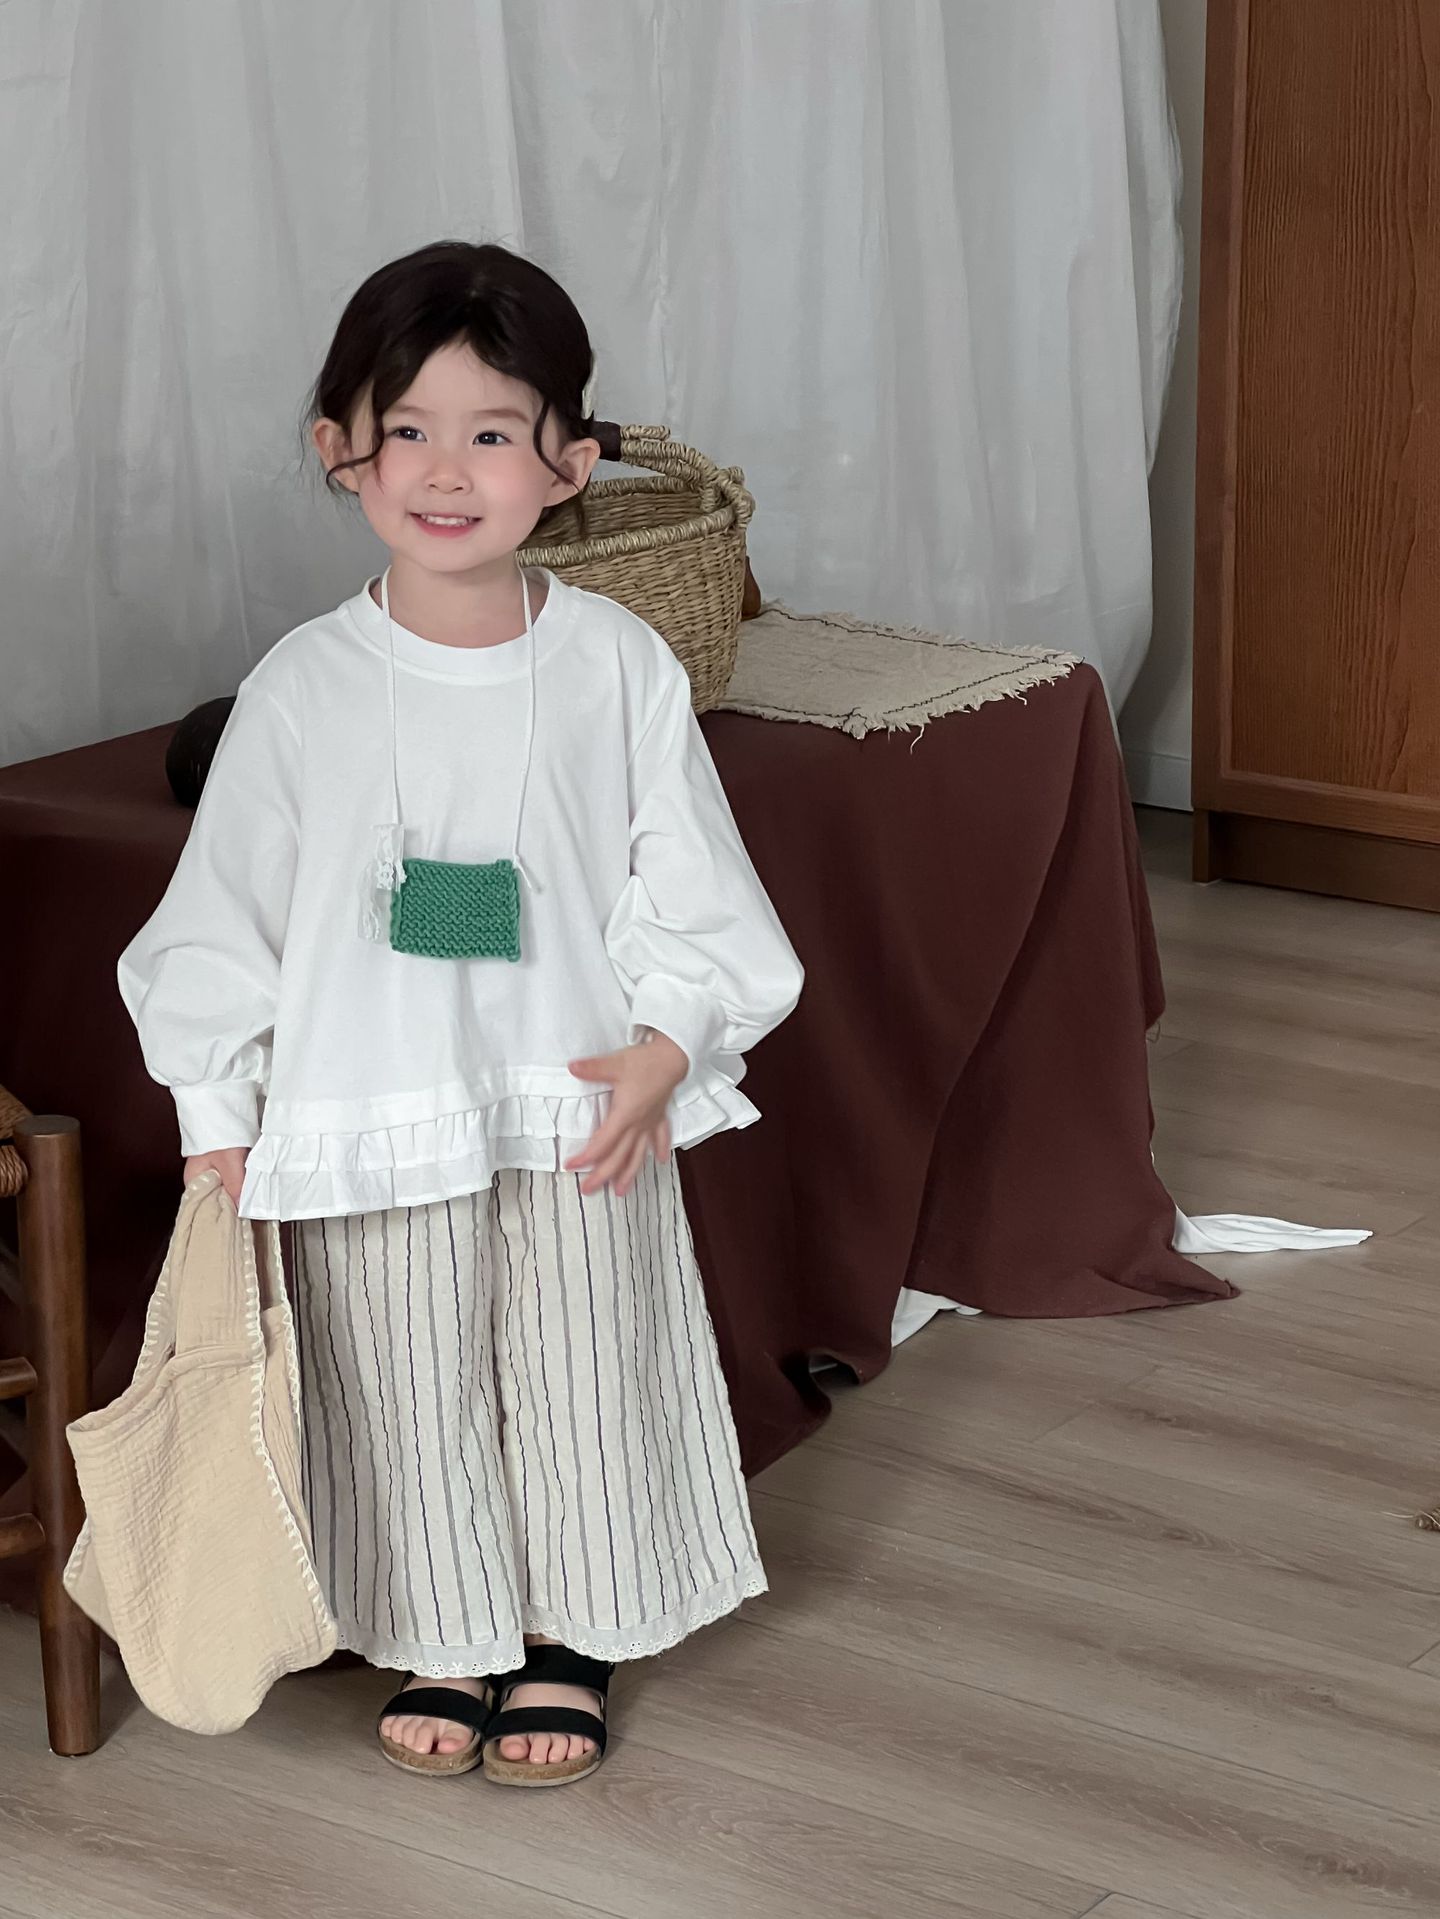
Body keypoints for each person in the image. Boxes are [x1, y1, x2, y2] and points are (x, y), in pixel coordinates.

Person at [118, 240, 804, 1787]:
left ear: (568, 463)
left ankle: (573, 1628)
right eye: (407, 429)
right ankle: (446, 1627)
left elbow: (691, 881)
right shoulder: (301, 688)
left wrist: (671, 1046)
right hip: (368, 1100)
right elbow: (220, 921)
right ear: (340, 450)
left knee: (587, 1360)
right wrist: (218, 1112)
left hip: (580, 1100)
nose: (445, 470)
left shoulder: (619, 664)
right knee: (400, 1370)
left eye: (493, 432)